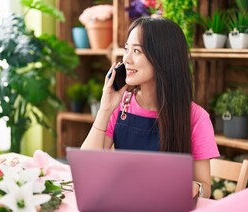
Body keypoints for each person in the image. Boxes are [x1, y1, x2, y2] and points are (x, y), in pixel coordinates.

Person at [81, 17, 219, 198]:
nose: (126, 59)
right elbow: (85, 168)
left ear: (163, 58)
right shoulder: (120, 106)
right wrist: (105, 109)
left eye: (136, 50)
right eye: (126, 49)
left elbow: (205, 188)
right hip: (125, 205)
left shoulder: (196, 117)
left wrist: (195, 188)